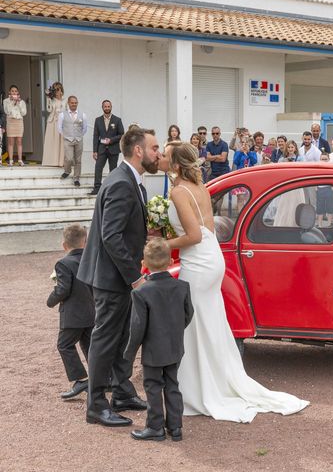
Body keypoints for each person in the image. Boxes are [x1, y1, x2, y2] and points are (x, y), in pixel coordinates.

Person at [158, 141, 309, 422]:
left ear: (176, 164)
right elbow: (207, 230)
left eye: (165, 155)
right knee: (208, 321)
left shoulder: (179, 191)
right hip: (211, 256)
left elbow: (192, 235)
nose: (161, 158)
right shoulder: (199, 188)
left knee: (194, 322)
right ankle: (214, 379)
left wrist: (163, 245)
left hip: (198, 261)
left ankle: (199, 388)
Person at [78, 125, 161, 427]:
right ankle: (96, 405)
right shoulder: (121, 183)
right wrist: (134, 278)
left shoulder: (132, 181)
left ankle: (123, 392)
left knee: (124, 336)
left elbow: (121, 230)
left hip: (116, 276)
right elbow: (111, 236)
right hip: (110, 278)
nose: (158, 154)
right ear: (138, 150)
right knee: (105, 339)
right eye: (154, 148)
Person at [124, 238, 194, 442]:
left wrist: (129, 352)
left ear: (144, 263)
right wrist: (174, 331)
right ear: (171, 261)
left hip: (154, 350)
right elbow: (188, 314)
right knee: (172, 384)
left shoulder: (141, 292)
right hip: (175, 347)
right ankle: (175, 427)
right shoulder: (182, 286)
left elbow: (137, 327)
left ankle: (155, 427)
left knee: (153, 386)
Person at [46, 224, 95, 400]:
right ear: (86, 241)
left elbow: (63, 290)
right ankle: (100, 379)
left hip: (73, 315)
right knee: (90, 346)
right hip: (92, 311)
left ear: (64, 245)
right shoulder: (92, 259)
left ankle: (81, 379)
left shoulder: (63, 263)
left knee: (64, 345)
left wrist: (50, 301)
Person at [89, 99, 125, 195]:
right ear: (102, 107)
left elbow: (122, 134)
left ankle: (112, 189)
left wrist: (111, 140)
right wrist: (94, 151)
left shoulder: (117, 120)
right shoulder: (98, 120)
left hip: (113, 149)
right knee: (98, 168)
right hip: (101, 149)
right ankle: (97, 187)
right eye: (105, 106)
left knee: (113, 170)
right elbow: (95, 136)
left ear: (111, 107)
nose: (107, 108)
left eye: (109, 106)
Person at [58, 96, 88, 187]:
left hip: (79, 139)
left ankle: (76, 178)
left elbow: (85, 128)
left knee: (78, 160)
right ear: (68, 103)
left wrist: (79, 136)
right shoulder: (62, 114)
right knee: (69, 158)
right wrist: (66, 135)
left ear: (77, 103)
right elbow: (59, 128)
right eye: (72, 103)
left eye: (75, 103)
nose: (74, 104)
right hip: (67, 139)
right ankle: (67, 171)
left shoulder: (83, 115)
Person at [42, 81, 65, 167]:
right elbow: (48, 110)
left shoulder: (65, 100)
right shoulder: (52, 100)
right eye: (55, 90)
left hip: (62, 122)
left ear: (61, 90)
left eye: (58, 89)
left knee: (61, 141)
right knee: (52, 141)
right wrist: (48, 98)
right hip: (53, 122)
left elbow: (66, 110)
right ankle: (52, 161)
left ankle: (61, 161)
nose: (57, 92)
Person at [4, 85, 27, 166]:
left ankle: (20, 160)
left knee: (19, 141)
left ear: (18, 92)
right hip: (10, 122)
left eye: (15, 91)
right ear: (9, 92)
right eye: (12, 91)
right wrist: (12, 102)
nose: (14, 92)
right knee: (10, 141)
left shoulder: (22, 102)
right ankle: (10, 160)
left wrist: (18, 103)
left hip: (19, 122)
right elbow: (7, 111)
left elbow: (24, 113)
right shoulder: (6, 101)